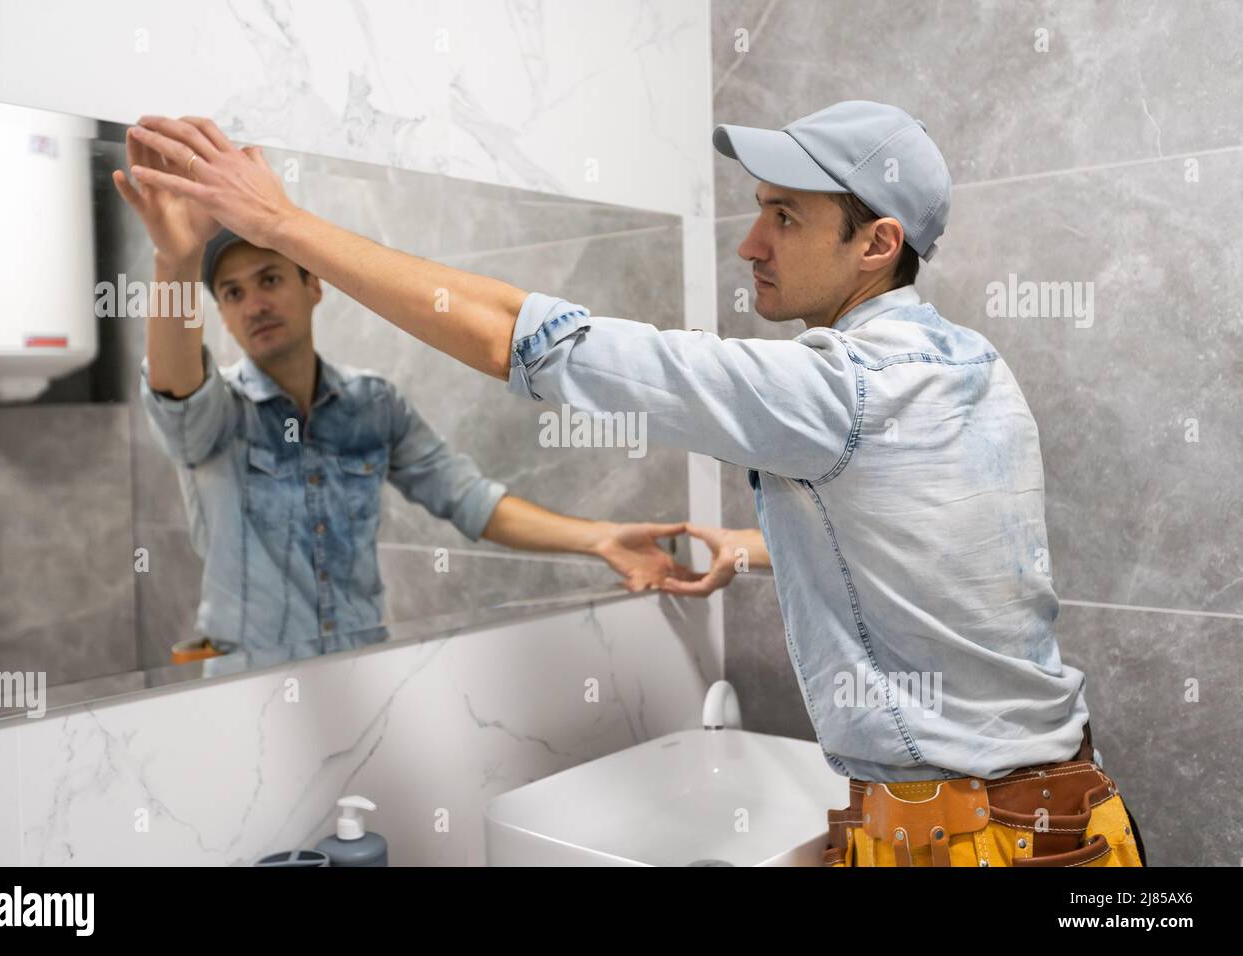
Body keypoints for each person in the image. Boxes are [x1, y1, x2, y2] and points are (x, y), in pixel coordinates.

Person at [121, 100, 1146, 866]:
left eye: (782, 217)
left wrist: (291, 223)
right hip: (1066, 815)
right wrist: (751, 548)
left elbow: (517, 338)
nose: (750, 242)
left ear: (876, 245)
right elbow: (933, 539)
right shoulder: (970, 365)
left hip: (973, 839)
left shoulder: (835, 387)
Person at [111, 132, 703, 668]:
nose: (254, 304)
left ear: (312, 285)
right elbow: (176, 389)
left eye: (269, 279)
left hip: (362, 667)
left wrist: (597, 537)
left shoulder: (373, 404)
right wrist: (177, 262)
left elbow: (470, 500)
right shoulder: (221, 415)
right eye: (233, 293)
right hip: (244, 687)